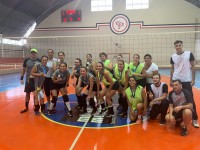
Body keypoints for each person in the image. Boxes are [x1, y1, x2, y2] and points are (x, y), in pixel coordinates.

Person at [170, 40, 199, 128]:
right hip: (176, 79)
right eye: (176, 46)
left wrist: (193, 79)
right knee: (176, 99)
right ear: (174, 47)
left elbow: (193, 66)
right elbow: (172, 69)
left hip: (186, 80)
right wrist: (171, 80)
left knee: (190, 99)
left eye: (179, 45)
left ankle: (194, 119)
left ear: (182, 45)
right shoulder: (173, 56)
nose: (178, 47)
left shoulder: (189, 53)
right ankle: (178, 117)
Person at [20, 48, 40, 113]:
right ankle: (26, 107)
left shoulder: (39, 60)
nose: (33, 54)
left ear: (36, 54)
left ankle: (36, 106)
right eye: (32, 53)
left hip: (36, 80)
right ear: (30, 54)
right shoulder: (26, 60)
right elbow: (23, 69)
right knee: (27, 93)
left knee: (36, 94)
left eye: (34, 53)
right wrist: (21, 78)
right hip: (28, 80)